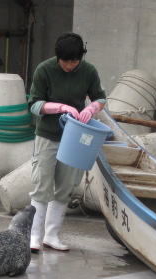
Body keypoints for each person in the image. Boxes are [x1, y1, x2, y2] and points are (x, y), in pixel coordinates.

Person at [28, 32, 106, 253]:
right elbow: (34, 104)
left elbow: (100, 97)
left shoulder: (88, 71)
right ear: (57, 57)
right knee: (42, 184)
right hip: (47, 135)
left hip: (75, 138)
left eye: (74, 62)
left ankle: (51, 236)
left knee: (66, 186)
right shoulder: (44, 70)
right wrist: (60, 107)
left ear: (81, 57)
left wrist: (92, 108)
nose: (70, 66)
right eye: (65, 62)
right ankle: (34, 236)